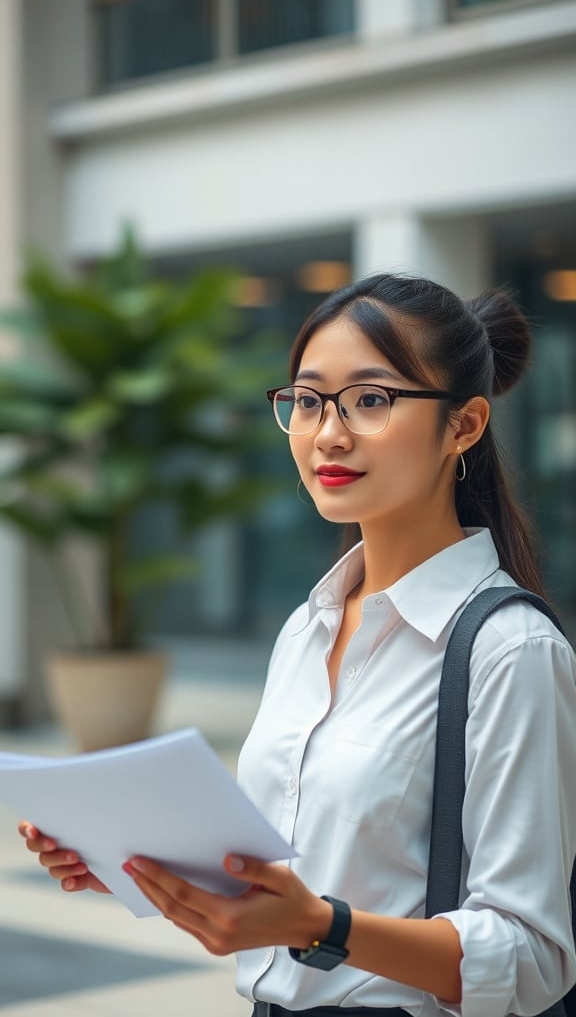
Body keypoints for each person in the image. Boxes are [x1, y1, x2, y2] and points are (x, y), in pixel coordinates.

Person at [20, 273, 576, 1017]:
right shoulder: (309, 626)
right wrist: (127, 859)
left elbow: (534, 957)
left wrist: (322, 928)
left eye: (371, 400)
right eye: (309, 401)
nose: (329, 433)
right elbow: (284, 879)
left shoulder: (511, 652)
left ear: (464, 425)